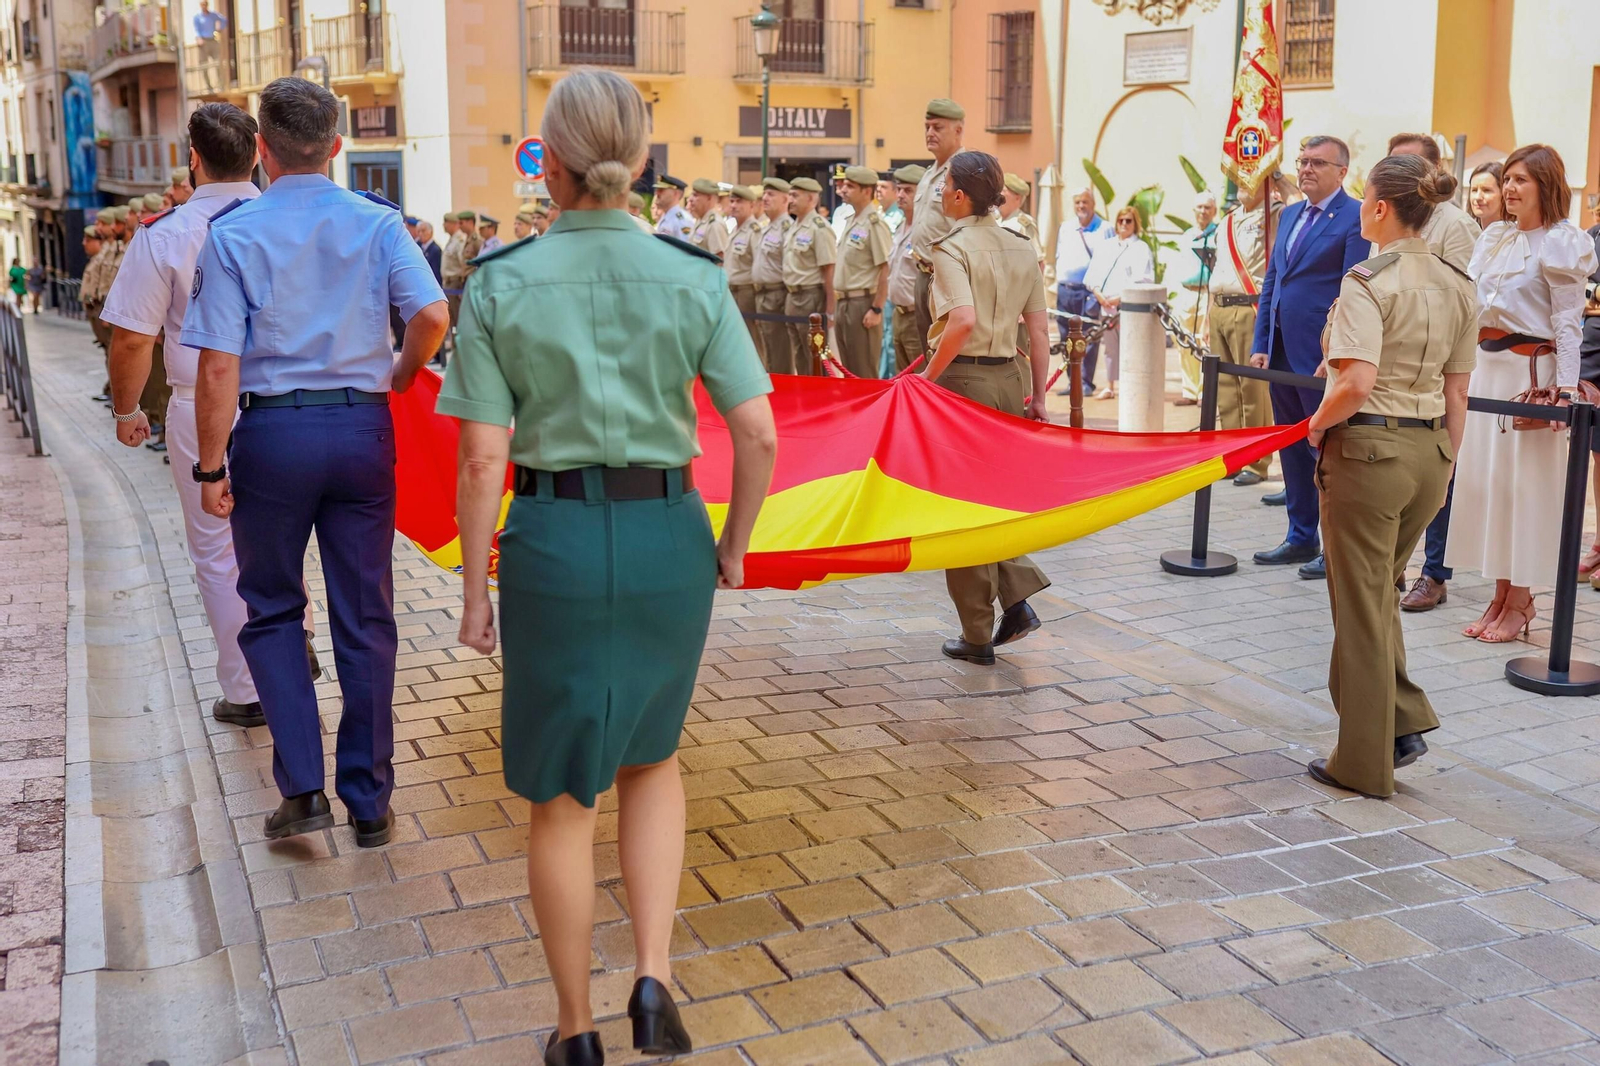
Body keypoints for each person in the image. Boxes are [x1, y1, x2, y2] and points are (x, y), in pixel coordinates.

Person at [437, 70, 775, 1066]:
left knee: (560, 793)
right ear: (637, 157)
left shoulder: (499, 281)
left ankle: (576, 1030)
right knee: (653, 756)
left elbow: (482, 457)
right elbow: (754, 432)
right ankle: (654, 974)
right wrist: (734, 545)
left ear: (549, 158)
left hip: (552, 542)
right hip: (670, 530)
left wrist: (469, 590)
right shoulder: (691, 273)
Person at [182, 77, 449, 848]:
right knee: (365, 614)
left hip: (272, 437)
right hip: (361, 430)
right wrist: (395, 376)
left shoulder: (234, 232)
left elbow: (217, 368)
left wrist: (209, 467)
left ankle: (301, 790)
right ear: (336, 146)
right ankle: (369, 799)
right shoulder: (377, 222)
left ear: (260, 147)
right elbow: (431, 315)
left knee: (270, 609)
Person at [103, 102, 320, 730]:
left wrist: (125, 411)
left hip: (202, 406)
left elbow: (132, 338)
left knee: (219, 552)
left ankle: (250, 688)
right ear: (258, 153)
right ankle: (293, 644)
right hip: (287, 401)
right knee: (285, 542)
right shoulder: (292, 220)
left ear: (193, 158)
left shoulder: (165, 234)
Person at [1302, 152, 1477, 800]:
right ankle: (1401, 723)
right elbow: (1457, 393)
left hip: (1368, 455)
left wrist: (1317, 425)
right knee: (1376, 594)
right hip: (1428, 454)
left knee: (1360, 605)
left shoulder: (1367, 279)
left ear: (1379, 208)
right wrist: (1446, 465)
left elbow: (1355, 381)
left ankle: (1362, 760)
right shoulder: (1460, 281)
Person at [1446, 143, 1598, 643]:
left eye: (1520, 181)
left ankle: (1522, 599)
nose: (1508, 189)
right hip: (1488, 373)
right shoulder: (1494, 238)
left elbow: (1567, 322)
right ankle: (1501, 593)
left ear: (1545, 186)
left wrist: (1566, 389)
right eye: (1506, 179)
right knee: (1491, 486)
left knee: (1526, 489)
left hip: (1533, 377)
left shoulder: (1562, 242)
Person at [923, 151, 1051, 666]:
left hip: (963, 380)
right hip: (1008, 380)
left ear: (958, 194)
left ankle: (977, 634)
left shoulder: (951, 248)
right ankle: (1016, 597)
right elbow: (1039, 331)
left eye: (944, 185)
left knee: (962, 509)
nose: (939, 193)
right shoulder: (1022, 246)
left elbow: (960, 321)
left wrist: (925, 379)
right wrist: (1039, 395)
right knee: (993, 500)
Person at [1249, 135, 1368, 580]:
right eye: (1302, 161)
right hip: (1281, 351)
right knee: (1292, 448)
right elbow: (1272, 282)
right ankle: (1300, 536)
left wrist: (1335, 350)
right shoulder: (1291, 214)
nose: (1306, 169)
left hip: (1320, 356)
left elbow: (1351, 290)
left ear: (1342, 171)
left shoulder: (1355, 216)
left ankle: (1334, 548)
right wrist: (1261, 343)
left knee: (1327, 453)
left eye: (1317, 163)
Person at [1376, 134, 1483, 612]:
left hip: (1435, 366)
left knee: (1440, 470)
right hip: (1388, 363)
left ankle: (1434, 572)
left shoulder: (1455, 225)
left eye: (1409, 164)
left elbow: (1457, 300)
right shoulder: (1387, 221)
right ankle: (1392, 565)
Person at [1209, 182, 1281, 486]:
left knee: (1252, 389)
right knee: (1225, 388)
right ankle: (1232, 455)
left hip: (1248, 307)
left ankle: (1257, 460)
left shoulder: (1274, 215)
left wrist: (1277, 185)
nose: (1242, 184)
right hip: (1219, 306)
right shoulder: (1227, 220)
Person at [911, 99, 968, 351]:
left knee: (947, 353)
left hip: (948, 276)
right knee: (927, 352)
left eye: (937, 127)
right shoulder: (929, 174)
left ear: (957, 130)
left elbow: (973, 227)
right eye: (927, 127)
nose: (929, 133)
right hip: (923, 273)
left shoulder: (965, 170)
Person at [1082, 206, 1154, 400]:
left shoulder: (1141, 248)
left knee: (1132, 347)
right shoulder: (1106, 246)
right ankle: (1110, 386)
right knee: (1110, 349)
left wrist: (1119, 297)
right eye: (1121, 220)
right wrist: (1099, 294)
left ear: (1135, 224)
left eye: (1128, 220)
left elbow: (1145, 279)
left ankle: (1130, 387)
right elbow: (1092, 275)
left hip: (1128, 308)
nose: (1124, 224)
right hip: (1105, 306)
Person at [832, 165, 892, 379]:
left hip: (862, 305)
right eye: (844, 185)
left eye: (850, 186)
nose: (843, 189)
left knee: (863, 372)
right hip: (844, 304)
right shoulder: (852, 220)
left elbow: (885, 268)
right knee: (848, 370)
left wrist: (876, 308)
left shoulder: (874, 224)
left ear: (867, 191)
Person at [1054, 187, 1111, 395]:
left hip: (1088, 293)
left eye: (1085, 202)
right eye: (1078, 202)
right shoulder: (1066, 227)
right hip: (1065, 291)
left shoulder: (1104, 228)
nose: (1081, 206)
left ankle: (1085, 383)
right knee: (1065, 338)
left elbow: (1108, 261)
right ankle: (1072, 382)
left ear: (1093, 205)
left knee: (1088, 338)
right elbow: (1059, 255)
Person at [782, 176, 836, 375]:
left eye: (796, 195)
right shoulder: (794, 226)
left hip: (810, 297)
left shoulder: (819, 228)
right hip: (792, 296)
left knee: (814, 355)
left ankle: (821, 400)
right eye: (790, 195)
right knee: (799, 355)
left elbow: (829, 271)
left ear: (811, 199)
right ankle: (804, 399)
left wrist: (830, 311)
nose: (791, 200)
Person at [1176, 191, 1220, 406]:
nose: (1203, 211)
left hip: (1206, 293)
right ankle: (1189, 390)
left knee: (1205, 342)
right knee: (1184, 342)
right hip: (1186, 292)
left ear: (1214, 211)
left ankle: (1204, 391)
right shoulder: (1187, 235)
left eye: (1207, 207)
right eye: (1200, 207)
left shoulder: (1217, 235)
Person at [886, 164, 926, 373]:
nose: (900, 195)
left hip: (916, 317)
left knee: (920, 380)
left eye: (908, 190)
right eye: (899, 189)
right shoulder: (900, 227)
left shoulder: (926, 230)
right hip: (898, 314)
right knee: (901, 377)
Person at [751, 177, 793, 373]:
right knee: (767, 350)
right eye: (765, 194)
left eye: (771, 194)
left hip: (778, 295)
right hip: (762, 295)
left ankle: (781, 397)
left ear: (785, 200)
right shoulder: (768, 227)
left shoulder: (787, 228)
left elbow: (788, 266)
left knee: (779, 352)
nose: (765, 198)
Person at [723, 184, 765, 364]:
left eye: (739, 202)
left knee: (753, 342)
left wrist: (757, 299)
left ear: (752, 205)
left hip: (747, 292)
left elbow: (758, 267)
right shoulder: (734, 230)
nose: (734, 205)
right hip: (732, 291)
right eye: (732, 201)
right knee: (735, 341)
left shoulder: (755, 230)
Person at [687, 178, 729, 260]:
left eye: (695, 195)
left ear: (709, 198)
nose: (690, 199)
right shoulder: (700, 221)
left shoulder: (714, 224)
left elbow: (720, 260)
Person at [192, 0, 227, 91]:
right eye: (202, 4)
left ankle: (221, 84)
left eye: (205, 4)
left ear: (207, 5)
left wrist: (220, 27)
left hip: (212, 40)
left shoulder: (213, 15)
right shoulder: (197, 17)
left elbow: (224, 20)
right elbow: (196, 29)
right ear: (200, 6)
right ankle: (208, 86)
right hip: (203, 41)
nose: (204, 6)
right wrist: (199, 38)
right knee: (204, 65)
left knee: (218, 63)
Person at [652, 174, 692, 239]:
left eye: (661, 190)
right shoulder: (666, 216)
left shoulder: (682, 221)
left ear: (676, 194)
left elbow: (684, 247)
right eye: (657, 190)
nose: (657, 193)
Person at [1468, 162, 1505, 228]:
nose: (1478, 197)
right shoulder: (1467, 231)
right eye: (1474, 190)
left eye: (1486, 190)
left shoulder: (1516, 235)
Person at [829, 164, 856, 244]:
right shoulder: (839, 210)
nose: (837, 183)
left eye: (842, 180)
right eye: (837, 180)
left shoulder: (856, 209)